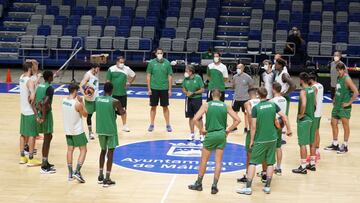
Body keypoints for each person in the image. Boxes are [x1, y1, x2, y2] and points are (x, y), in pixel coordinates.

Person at [237, 87, 291, 195]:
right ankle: (267, 187)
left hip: (261, 139)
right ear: (267, 94)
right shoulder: (273, 104)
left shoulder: (256, 108)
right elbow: (284, 117)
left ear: (258, 95)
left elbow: (253, 126)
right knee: (270, 162)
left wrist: (252, 140)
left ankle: (248, 188)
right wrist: (289, 129)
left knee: (252, 162)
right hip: (273, 138)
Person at [188, 89, 240, 194]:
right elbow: (238, 120)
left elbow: (195, 119)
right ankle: (214, 186)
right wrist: (228, 130)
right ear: (220, 95)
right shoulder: (226, 106)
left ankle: (199, 183)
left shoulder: (207, 105)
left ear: (211, 95)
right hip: (221, 135)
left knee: (204, 161)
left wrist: (201, 130)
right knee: (218, 162)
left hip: (210, 135)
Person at [96, 82, 126, 187]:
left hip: (100, 129)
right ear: (112, 90)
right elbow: (122, 112)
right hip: (110, 130)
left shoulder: (98, 99)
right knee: (110, 153)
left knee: (102, 151)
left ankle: (100, 175)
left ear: (104, 90)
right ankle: (107, 178)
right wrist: (122, 110)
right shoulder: (115, 101)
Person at [325, 63, 358, 153]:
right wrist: (335, 98)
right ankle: (335, 144)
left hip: (344, 107)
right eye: (337, 70)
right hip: (337, 106)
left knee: (345, 126)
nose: (338, 72)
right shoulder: (339, 77)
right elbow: (338, 89)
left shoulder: (347, 79)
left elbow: (356, 92)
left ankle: (345, 145)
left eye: (339, 70)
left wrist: (349, 103)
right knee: (333, 123)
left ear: (344, 70)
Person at [62, 83, 88, 183]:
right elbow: (85, 114)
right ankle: (77, 171)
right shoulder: (77, 104)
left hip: (68, 130)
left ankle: (70, 174)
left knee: (70, 150)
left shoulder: (64, 101)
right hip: (77, 131)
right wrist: (82, 102)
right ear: (75, 91)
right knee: (83, 150)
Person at [292, 72, 316, 174]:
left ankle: (303, 167)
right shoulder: (313, 89)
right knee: (312, 142)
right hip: (312, 118)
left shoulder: (303, 91)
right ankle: (312, 164)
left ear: (301, 80)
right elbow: (315, 104)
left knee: (302, 144)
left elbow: (304, 104)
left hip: (304, 119)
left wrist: (301, 114)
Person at [19, 61, 41, 167]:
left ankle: (22, 157)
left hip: (23, 111)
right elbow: (32, 99)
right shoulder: (30, 81)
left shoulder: (21, 78)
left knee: (23, 134)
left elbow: (29, 87)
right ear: (29, 69)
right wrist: (36, 114)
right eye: (31, 68)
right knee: (32, 135)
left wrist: (36, 80)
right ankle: (31, 158)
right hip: (30, 112)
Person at [146, 48, 173, 132]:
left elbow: (170, 76)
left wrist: (170, 89)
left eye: (161, 53)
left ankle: (168, 124)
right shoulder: (151, 63)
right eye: (158, 53)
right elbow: (148, 76)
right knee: (153, 107)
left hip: (164, 88)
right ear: (155, 54)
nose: (159, 54)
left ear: (163, 53)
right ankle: (151, 124)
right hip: (154, 88)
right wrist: (149, 88)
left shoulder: (167, 63)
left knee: (165, 107)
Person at [106, 56, 136, 132]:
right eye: (120, 62)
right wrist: (107, 93)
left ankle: (124, 126)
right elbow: (108, 81)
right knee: (112, 111)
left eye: (123, 62)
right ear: (117, 62)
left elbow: (134, 75)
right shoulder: (111, 69)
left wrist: (129, 83)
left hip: (122, 94)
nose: (122, 63)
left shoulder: (127, 69)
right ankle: (111, 126)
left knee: (123, 110)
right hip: (113, 94)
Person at [237, 88, 260, 183]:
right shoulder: (263, 101)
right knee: (265, 154)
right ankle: (264, 174)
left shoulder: (248, 103)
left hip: (253, 131)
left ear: (248, 95)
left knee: (249, 154)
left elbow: (250, 116)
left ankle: (248, 175)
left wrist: (251, 128)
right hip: (263, 130)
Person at [35, 70, 56, 173]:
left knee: (49, 137)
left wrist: (36, 116)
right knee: (47, 139)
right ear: (49, 78)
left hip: (39, 114)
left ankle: (45, 161)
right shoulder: (50, 88)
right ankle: (44, 166)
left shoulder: (40, 86)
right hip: (46, 115)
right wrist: (43, 117)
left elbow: (33, 101)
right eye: (52, 76)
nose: (53, 77)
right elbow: (44, 103)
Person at [181, 65, 205, 141]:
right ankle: (192, 134)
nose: (185, 72)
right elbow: (183, 89)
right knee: (190, 117)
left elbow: (202, 90)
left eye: (186, 71)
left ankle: (201, 134)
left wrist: (193, 93)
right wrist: (186, 93)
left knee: (199, 118)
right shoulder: (185, 79)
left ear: (191, 72)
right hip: (188, 100)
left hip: (197, 99)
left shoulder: (198, 78)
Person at [270, 82, 288, 175]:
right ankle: (279, 167)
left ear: (273, 89)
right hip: (281, 124)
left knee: (271, 147)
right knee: (278, 147)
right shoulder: (284, 99)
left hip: (274, 124)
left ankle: (269, 168)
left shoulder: (272, 101)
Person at [232, 63, 254, 133]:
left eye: (239, 68)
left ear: (243, 68)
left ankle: (246, 128)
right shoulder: (234, 76)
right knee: (234, 113)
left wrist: (249, 97)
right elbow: (233, 85)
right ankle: (234, 127)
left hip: (245, 98)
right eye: (237, 68)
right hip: (236, 98)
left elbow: (251, 86)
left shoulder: (248, 77)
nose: (238, 69)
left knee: (246, 113)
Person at [80, 63, 100, 140]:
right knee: (89, 116)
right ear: (93, 68)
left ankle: (99, 130)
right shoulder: (87, 75)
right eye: (97, 69)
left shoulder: (95, 73)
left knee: (99, 115)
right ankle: (90, 132)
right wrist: (84, 95)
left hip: (97, 98)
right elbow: (81, 85)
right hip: (90, 99)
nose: (98, 71)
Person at [309, 73, 323, 161]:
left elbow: (313, 101)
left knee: (313, 134)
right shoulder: (320, 85)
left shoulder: (314, 88)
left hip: (314, 113)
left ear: (311, 80)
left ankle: (314, 154)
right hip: (319, 112)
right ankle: (317, 151)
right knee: (317, 132)